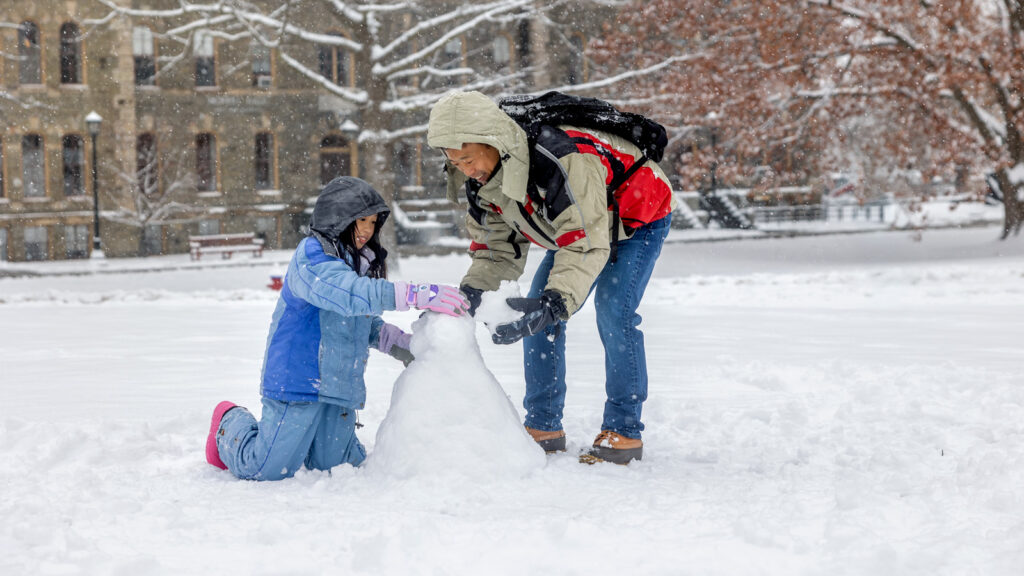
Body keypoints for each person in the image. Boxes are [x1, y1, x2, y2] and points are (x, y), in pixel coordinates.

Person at [427, 90, 675, 465]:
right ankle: (543, 425)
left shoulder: (561, 158)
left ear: (492, 141)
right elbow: (498, 249)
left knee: (614, 312)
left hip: (637, 215)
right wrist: (472, 294)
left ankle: (623, 429)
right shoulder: (482, 182)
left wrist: (557, 302)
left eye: (467, 157)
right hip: (578, 229)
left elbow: (586, 242)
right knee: (535, 314)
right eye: (454, 162)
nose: (465, 169)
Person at [205, 176, 468, 480]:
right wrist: (413, 294)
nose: (368, 230)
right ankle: (228, 421)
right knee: (266, 468)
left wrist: (408, 346)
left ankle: (305, 442)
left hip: (338, 387)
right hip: (298, 382)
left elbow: (360, 324)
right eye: (361, 221)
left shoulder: (358, 265)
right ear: (338, 218)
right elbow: (348, 295)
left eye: (373, 222)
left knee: (336, 467)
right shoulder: (312, 258)